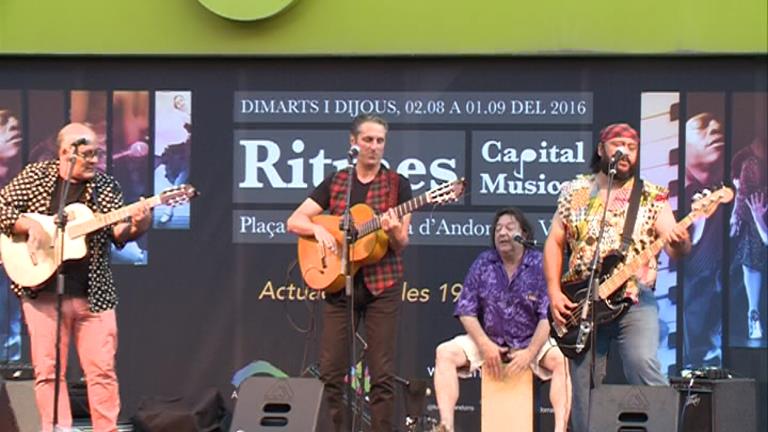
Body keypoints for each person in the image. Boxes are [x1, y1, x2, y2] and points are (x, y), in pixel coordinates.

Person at [0, 123, 152, 432]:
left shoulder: (106, 186)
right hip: (42, 292)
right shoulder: (35, 176)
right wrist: (30, 226)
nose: (95, 159)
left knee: (102, 371)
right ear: (66, 153)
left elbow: (118, 233)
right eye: (88, 153)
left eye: (97, 152)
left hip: (93, 294)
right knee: (48, 371)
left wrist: (139, 225)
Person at [544, 123, 691, 432]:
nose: (625, 152)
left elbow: (676, 246)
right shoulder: (578, 191)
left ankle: (665, 426)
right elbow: (555, 241)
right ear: (602, 149)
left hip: (634, 298)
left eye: (632, 147)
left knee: (641, 362)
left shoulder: (651, 196)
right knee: (584, 382)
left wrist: (680, 242)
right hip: (582, 301)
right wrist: (555, 291)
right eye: (618, 144)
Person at [286, 114, 412, 432]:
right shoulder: (338, 181)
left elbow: (401, 243)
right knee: (330, 372)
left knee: (381, 375)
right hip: (339, 284)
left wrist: (394, 229)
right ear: (353, 142)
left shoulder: (399, 185)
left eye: (380, 140)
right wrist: (318, 231)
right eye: (368, 139)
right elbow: (295, 221)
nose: (374, 146)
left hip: (382, 285)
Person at [433, 207, 571, 432]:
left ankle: (560, 429)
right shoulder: (484, 262)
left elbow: (548, 316)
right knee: (444, 353)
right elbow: (466, 311)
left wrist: (530, 353)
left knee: (562, 360)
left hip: (531, 341)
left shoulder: (538, 263)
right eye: (498, 229)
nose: (502, 233)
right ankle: (446, 426)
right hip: (489, 341)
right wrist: (485, 345)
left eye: (509, 228)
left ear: (524, 235)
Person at [682, 112, 726, 365]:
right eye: (701, 125)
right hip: (693, 343)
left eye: (716, 122)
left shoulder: (740, 183)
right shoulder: (666, 196)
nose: (716, 127)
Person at [730, 134, 768, 340]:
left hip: (760, 225)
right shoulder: (751, 164)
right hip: (756, 226)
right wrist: (739, 214)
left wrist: (756, 217)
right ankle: (753, 315)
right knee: (750, 254)